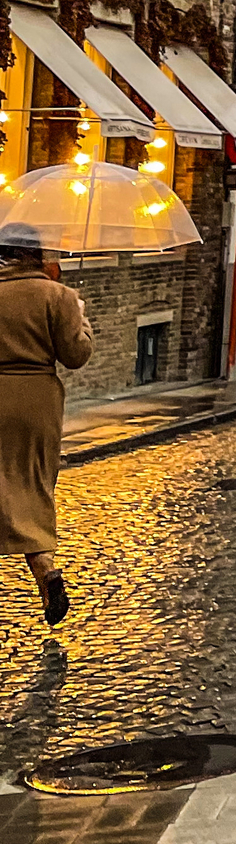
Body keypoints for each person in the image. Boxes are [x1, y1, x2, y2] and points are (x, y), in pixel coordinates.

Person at [0, 222, 91, 628]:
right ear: (37, 255)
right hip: (36, 399)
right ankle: (45, 572)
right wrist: (81, 319)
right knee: (31, 483)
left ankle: (43, 573)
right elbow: (75, 355)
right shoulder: (58, 296)